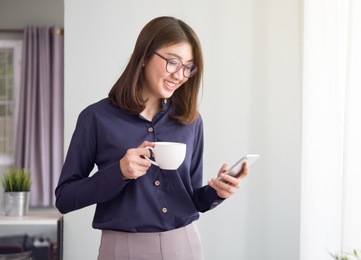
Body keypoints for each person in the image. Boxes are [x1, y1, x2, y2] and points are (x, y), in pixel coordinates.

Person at [55, 16, 248, 260]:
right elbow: (64, 198)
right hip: (122, 248)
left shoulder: (191, 121)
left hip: (184, 245)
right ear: (145, 56)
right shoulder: (96, 118)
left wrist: (217, 192)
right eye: (173, 62)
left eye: (188, 66)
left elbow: (192, 198)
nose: (180, 75)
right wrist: (119, 172)